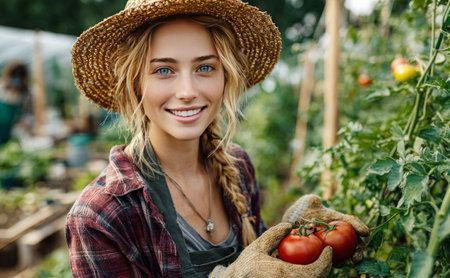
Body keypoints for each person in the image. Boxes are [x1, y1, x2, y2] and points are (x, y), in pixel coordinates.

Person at [66, 0, 369, 277]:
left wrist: (296, 232)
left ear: (226, 76)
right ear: (135, 83)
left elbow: (258, 261)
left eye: (205, 67)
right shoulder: (101, 216)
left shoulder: (238, 167)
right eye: (163, 70)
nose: (187, 91)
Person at [0, 61, 32, 144]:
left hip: (12, 132)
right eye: (13, 76)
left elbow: (28, 114)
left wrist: (24, 124)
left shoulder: (25, 94)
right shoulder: (2, 88)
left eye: (19, 77)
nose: (16, 81)